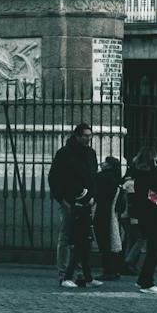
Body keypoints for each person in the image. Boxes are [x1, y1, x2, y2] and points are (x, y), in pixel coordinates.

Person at [49, 123, 99, 287]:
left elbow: (93, 177)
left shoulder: (91, 154)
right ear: (77, 136)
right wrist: (62, 200)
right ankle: (64, 273)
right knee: (66, 236)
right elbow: (55, 178)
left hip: (87, 201)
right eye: (85, 136)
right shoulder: (64, 153)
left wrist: (92, 197)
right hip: (69, 201)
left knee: (83, 239)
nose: (88, 139)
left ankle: (82, 274)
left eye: (90, 136)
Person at [126, 149, 157, 294]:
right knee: (155, 249)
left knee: (154, 248)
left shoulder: (141, 174)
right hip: (152, 216)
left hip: (148, 215)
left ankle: (143, 279)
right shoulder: (147, 175)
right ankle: (146, 281)